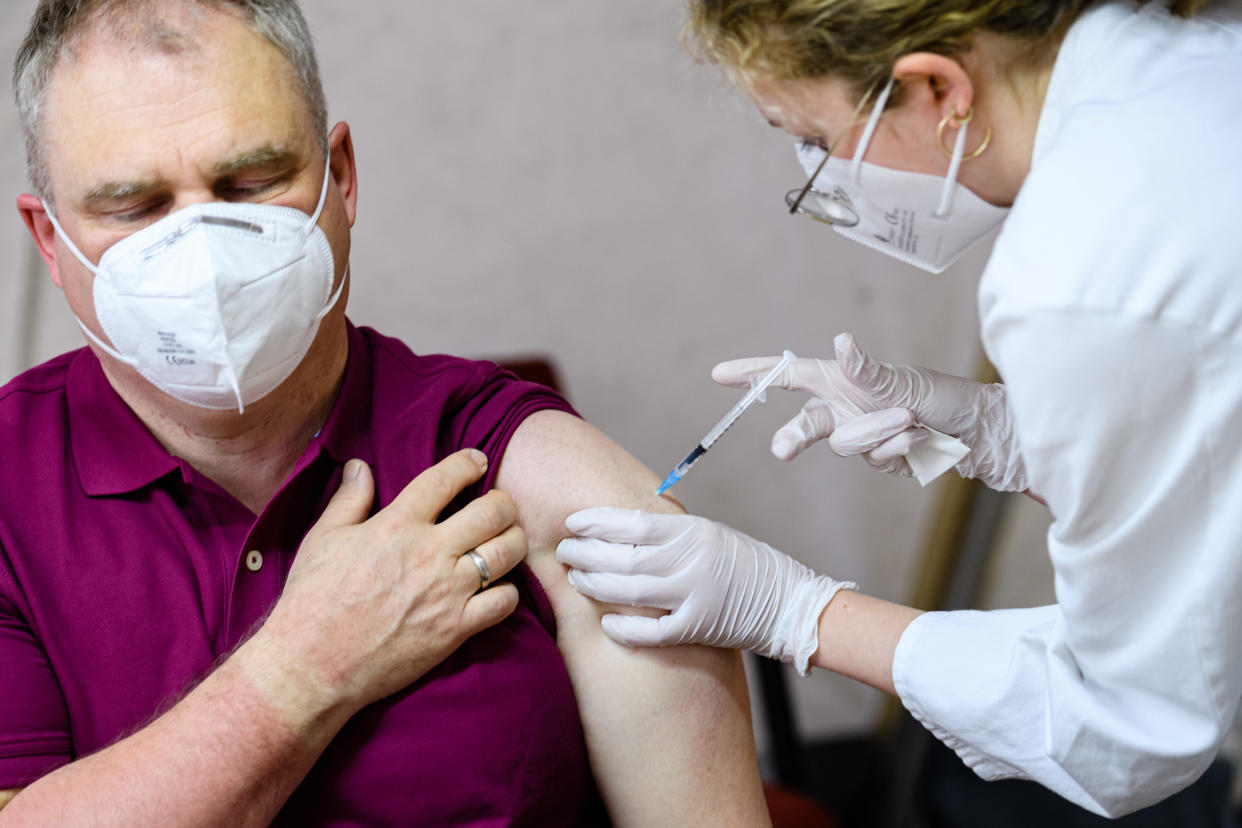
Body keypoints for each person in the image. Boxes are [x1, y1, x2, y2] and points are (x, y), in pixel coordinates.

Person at [0, 1, 771, 825]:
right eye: (135, 207)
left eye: (252, 183)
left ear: (343, 177)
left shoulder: (510, 463)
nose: (204, 251)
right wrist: (304, 667)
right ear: (50, 240)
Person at [556, 0, 1242, 818]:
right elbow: (1207, 439)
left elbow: (1127, 730)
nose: (822, 174)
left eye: (814, 140)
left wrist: (794, 610)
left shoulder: (1076, 269)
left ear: (936, 89)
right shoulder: (1201, 71)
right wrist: (995, 430)